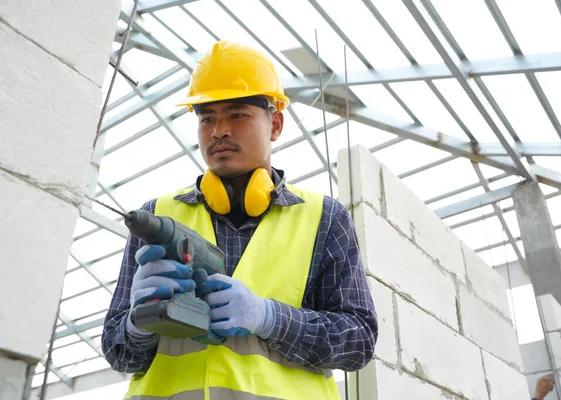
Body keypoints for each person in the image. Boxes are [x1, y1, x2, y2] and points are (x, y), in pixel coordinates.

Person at [101, 40, 378, 400]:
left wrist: (269, 317)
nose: (219, 131)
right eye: (207, 118)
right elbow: (118, 353)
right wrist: (139, 322)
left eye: (237, 114)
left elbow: (358, 340)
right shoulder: (156, 217)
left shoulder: (324, 218)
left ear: (275, 124)